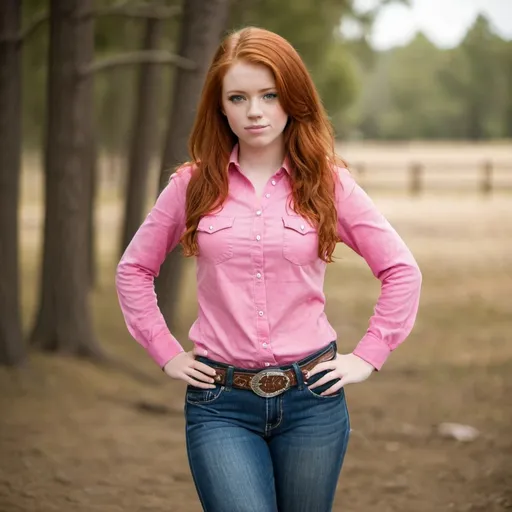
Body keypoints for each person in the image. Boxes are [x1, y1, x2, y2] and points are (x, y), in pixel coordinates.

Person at [115, 26, 422, 512]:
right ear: (220, 106)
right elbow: (134, 269)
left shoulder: (328, 183)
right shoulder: (192, 185)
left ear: (292, 97)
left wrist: (367, 356)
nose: (254, 111)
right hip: (220, 405)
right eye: (237, 97)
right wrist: (165, 350)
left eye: (269, 94)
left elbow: (402, 269)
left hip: (312, 402)